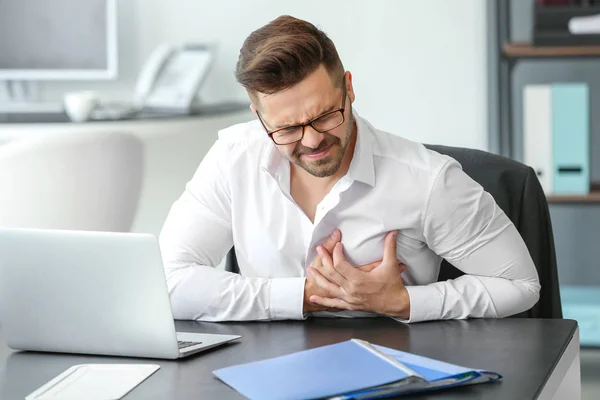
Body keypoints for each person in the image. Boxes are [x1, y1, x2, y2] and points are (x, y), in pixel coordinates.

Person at [158, 15, 540, 323]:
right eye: (288, 128)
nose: (311, 141)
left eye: (325, 116)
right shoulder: (232, 158)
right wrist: (302, 296)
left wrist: (404, 301)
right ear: (259, 117)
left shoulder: (427, 180)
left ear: (349, 89)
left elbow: (520, 285)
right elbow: (165, 283)